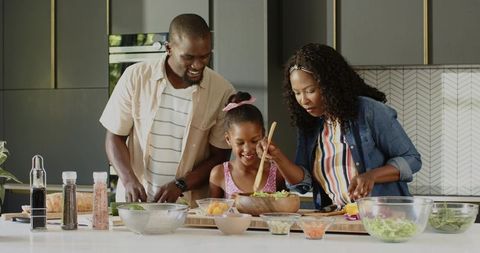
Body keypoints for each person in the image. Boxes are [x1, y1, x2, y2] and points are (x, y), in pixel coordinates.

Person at [257, 43, 421, 210]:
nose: (303, 100)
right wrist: (278, 157)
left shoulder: (369, 111)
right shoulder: (310, 125)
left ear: (330, 85)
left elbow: (412, 159)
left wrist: (371, 176)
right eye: (297, 93)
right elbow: (303, 183)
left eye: (310, 90)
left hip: (385, 218)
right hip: (338, 218)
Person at [99, 14, 235, 205]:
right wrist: (129, 179)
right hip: (137, 204)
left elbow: (220, 157)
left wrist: (181, 184)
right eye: (188, 57)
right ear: (169, 48)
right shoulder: (136, 77)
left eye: (205, 56)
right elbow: (114, 137)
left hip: (189, 208)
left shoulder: (222, 91)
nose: (197, 65)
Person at [209, 92, 285, 198]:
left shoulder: (277, 173)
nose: (247, 149)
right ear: (228, 139)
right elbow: (213, 211)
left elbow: (284, 209)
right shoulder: (219, 174)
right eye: (240, 143)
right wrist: (229, 204)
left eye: (254, 141)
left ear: (263, 134)